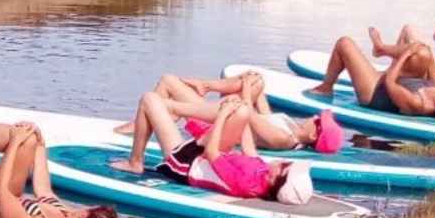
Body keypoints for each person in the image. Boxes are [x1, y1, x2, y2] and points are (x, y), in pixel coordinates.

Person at [123, 97, 314, 205]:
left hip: (186, 163)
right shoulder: (263, 174)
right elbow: (249, 150)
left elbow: (212, 152)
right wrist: (245, 112)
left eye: (285, 166)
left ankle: (135, 161)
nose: (283, 162)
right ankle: (175, 108)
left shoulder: (247, 183)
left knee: (149, 100)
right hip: (203, 156)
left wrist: (222, 116)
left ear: (276, 180)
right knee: (240, 111)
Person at [116, 70, 343, 153]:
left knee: (167, 83)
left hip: (218, 126)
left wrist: (246, 87)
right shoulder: (289, 124)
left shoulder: (284, 138)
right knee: (258, 80)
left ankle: (144, 124)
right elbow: (261, 107)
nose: (314, 116)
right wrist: (253, 83)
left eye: (318, 121)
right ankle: (205, 86)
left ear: (314, 135)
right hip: (224, 115)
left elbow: (249, 116)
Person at [305, 31, 435, 122]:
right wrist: (426, 52)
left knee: (344, 43)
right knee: (423, 53)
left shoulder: (417, 104)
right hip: (393, 79)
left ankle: (326, 87)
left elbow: (389, 82)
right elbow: (433, 71)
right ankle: (382, 49)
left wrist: (406, 54)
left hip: (375, 91)